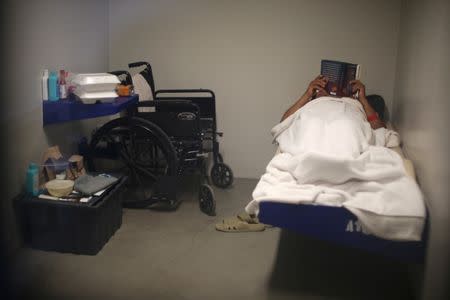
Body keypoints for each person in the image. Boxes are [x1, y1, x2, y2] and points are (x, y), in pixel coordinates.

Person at [281, 75, 386, 129]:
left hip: (347, 127)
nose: (325, 91)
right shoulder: (311, 104)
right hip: (313, 128)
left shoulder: (353, 104)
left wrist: (363, 99)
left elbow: (380, 129)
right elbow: (283, 124)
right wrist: (307, 94)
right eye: (322, 88)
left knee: (346, 125)